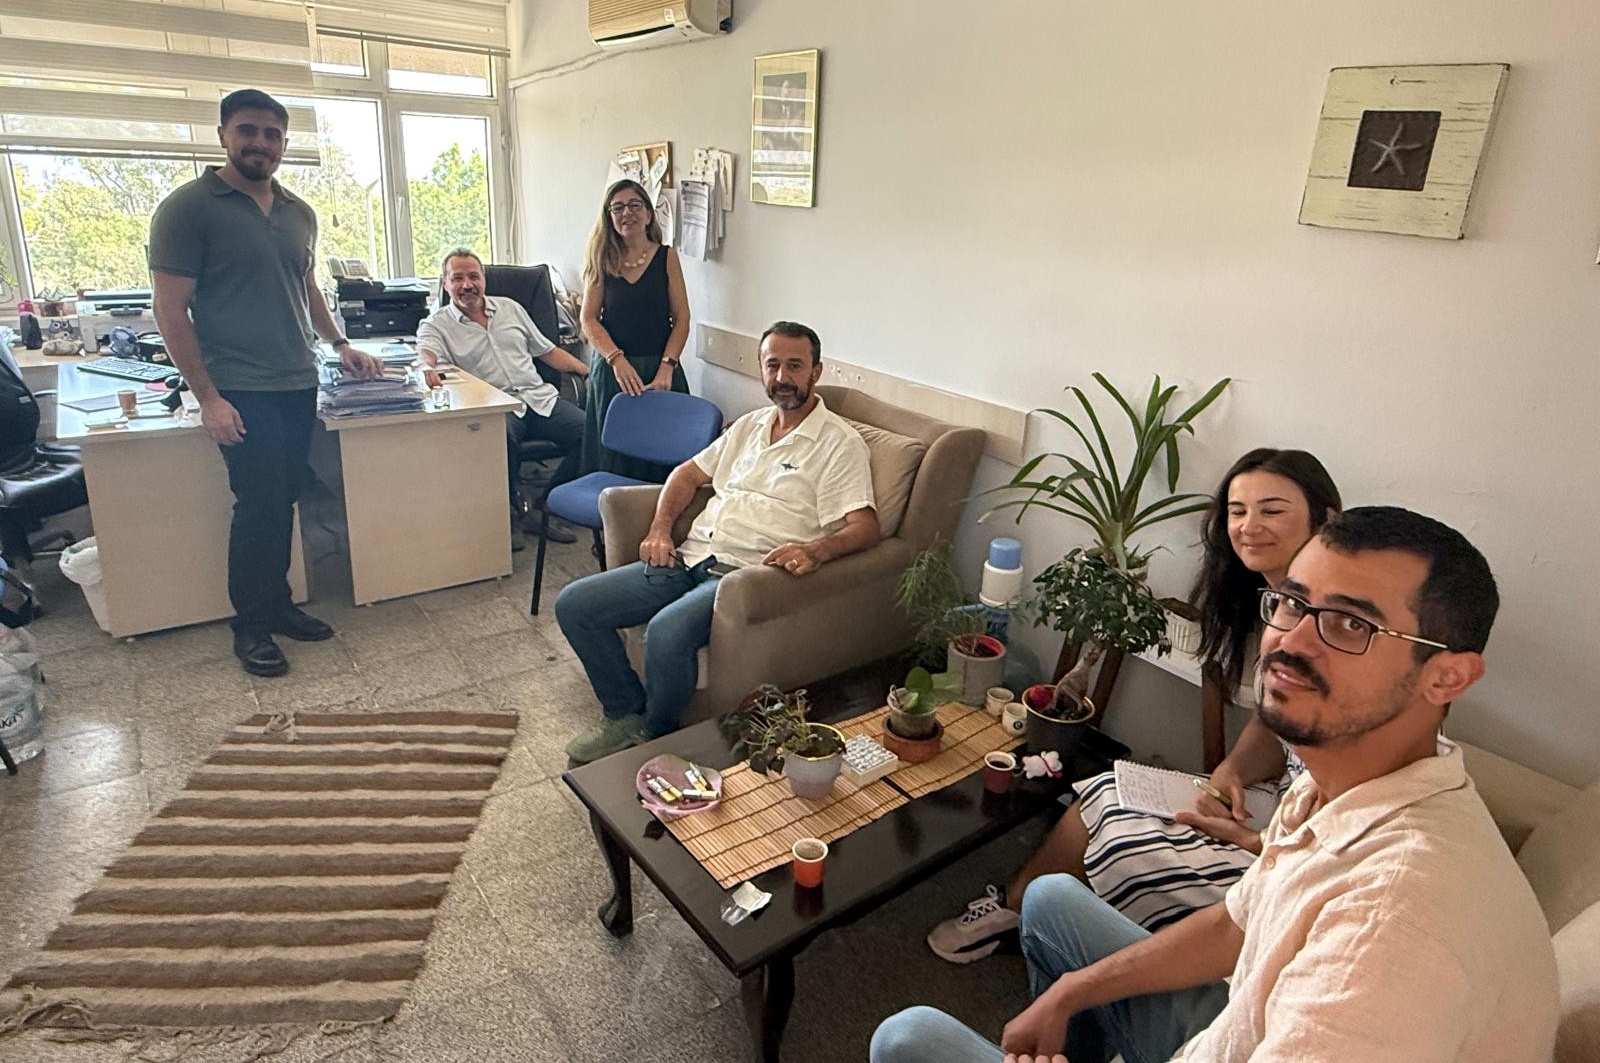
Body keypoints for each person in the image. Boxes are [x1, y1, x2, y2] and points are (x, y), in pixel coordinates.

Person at [873, 506, 1559, 1063]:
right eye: (1292, 603)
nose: (1292, 643)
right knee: (1052, 898)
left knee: (908, 1039)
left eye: (1352, 624)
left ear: (1448, 677)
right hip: (1238, 1027)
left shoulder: (1391, 929)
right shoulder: (1344, 783)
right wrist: (1071, 991)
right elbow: (1239, 922)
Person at [928, 449, 1341, 962]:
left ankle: (1082, 943)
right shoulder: (1278, 606)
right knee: (1104, 790)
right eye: (1238, 511)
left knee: (1120, 837)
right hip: (1275, 806)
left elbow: (1356, 808)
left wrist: (1260, 841)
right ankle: (1016, 913)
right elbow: (1274, 722)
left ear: (1325, 519)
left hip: (1309, 847)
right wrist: (1231, 772)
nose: (1249, 526)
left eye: (1272, 510)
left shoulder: (1339, 628)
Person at [554, 321, 880, 763]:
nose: (782, 377)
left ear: (816, 371)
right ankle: (624, 712)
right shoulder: (749, 425)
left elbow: (865, 527)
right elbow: (686, 474)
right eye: (773, 365)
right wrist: (659, 529)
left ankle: (655, 732)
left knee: (666, 633)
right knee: (575, 605)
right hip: (689, 557)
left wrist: (815, 550)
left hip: (740, 575)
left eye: (795, 366)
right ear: (761, 370)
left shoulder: (838, 443)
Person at [150, 88, 384, 678]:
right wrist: (208, 397)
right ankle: (251, 625)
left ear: (284, 142)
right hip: (238, 385)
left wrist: (340, 344)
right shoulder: (188, 208)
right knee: (257, 506)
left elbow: (306, 288)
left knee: (282, 499)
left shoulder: (298, 212)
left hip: (297, 379)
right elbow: (170, 310)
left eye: (273, 134)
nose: (261, 143)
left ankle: (277, 605)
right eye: (248, 131)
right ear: (223, 135)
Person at [416, 249, 590, 550]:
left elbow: (547, 351)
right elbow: (426, 352)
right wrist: (426, 367)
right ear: (445, 284)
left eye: (473, 276)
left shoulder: (511, 308)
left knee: (591, 432)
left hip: (538, 398)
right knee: (496, 440)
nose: (467, 285)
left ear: (484, 279)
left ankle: (546, 505)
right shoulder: (437, 324)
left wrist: (588, 371)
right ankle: (508, 513)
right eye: (457, 278)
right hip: (495, 407)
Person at [578, 178, 692, 481]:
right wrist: (616, 359)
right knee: (614, 461)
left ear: (648, 214)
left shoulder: (667, 257)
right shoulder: (601, 258)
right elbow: (588, 319)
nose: (626, 213)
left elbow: (682, 318)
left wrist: (667, 367)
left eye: (634, 205)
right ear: (609, 217)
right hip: (615, 373)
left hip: (660, 370)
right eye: (617, 208)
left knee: (663, 456)